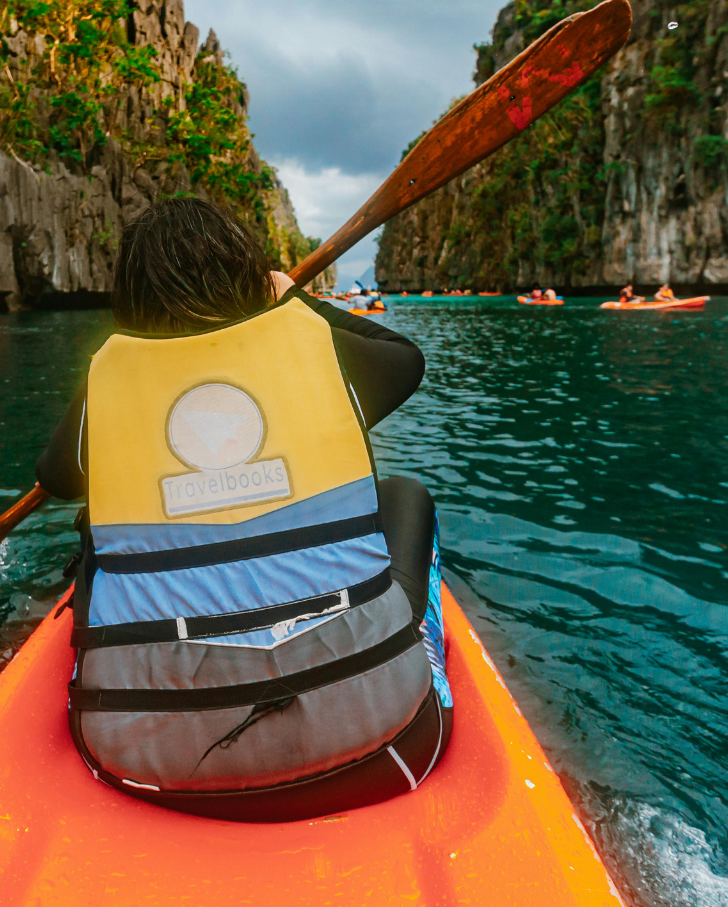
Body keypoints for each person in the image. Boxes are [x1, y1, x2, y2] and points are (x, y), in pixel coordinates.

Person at [37, 197, 447, 823]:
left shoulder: (107, 378)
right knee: (406, 494)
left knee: (92, 533)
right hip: (382, 729)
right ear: (252, 277)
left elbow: (56, 478)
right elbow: (406, 360)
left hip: (143, 760)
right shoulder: (321, 354)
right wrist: (293, 300)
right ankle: (423, 662)